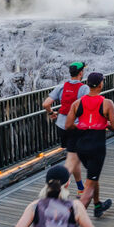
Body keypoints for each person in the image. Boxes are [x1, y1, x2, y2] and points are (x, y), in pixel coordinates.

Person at [65, 71, 114, 217]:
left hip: (81, 146)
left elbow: (68, 125)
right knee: (88, 189)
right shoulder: (107, 103)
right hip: (97, 146)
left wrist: (84, 125)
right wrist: (104, 124)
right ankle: (71, 222)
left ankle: (97, 205)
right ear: (101, 84)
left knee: (92, 176)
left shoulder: (77, 103)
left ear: (87, 84)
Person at [43, 62, 90, 195]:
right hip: (75, 127)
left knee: (73, 156)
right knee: (71, 161)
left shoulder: (62, 86)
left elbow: (46, 103)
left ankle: (80, 188)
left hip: (61, 126)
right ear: (81, 73)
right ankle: (57, 188)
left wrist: (51, 113)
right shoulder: (84, 88)